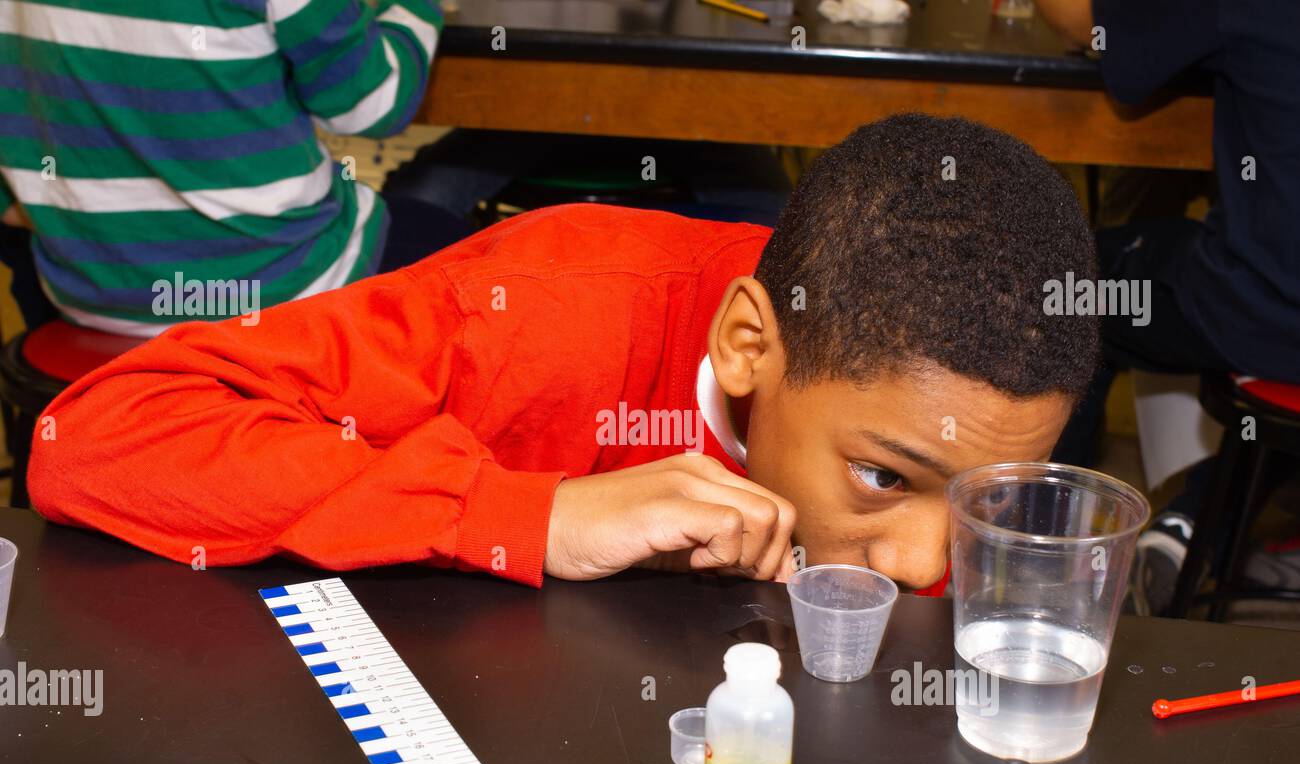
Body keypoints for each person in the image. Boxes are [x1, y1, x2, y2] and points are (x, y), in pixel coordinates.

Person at [28, 115, 1100, 594]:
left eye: (991, 499)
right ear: (745, 346)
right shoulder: (539, 315)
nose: (925, 564)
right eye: (881, 477)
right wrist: (530, 514)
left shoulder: (959, 384)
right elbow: (99, 436)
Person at [1038, 0, 1300, 614]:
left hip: (1268, 312)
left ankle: (1041, 556)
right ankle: (1199, 517)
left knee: (1067, 289)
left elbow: (1088, 25)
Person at [0, 0, 460, 335]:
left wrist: (42, 206)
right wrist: (416, 9)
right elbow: (373, 104)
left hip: (90, 292)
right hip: (271, 289)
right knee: (463, 254)